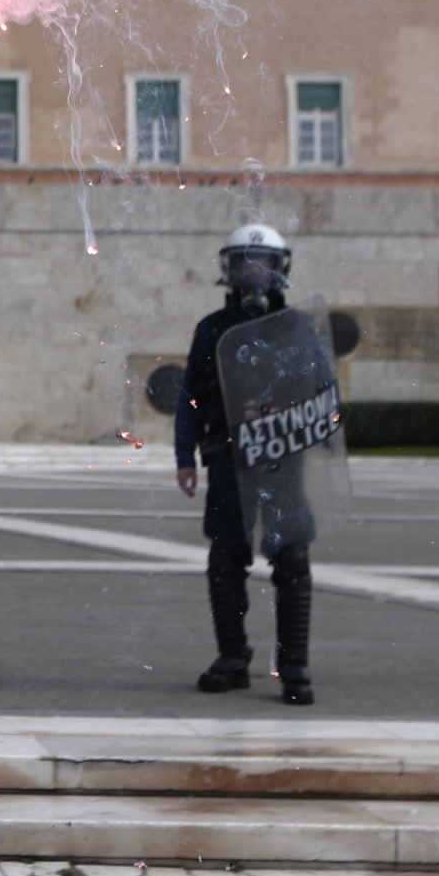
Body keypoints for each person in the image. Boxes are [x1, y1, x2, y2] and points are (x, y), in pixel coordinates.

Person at [176, 224, 315, 706]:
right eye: (244, 261)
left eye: (263, 261)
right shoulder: (213, 328)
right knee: (225, 559)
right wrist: (184, 457)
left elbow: (321, 389)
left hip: (282, 456)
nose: (253, 271)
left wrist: (283, 406)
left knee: (292, 558)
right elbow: (190, 397)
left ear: (279, 269)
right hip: (228, 456)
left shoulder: (298, 326)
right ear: (230, 269)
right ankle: (233, 658)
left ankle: (294, 666)